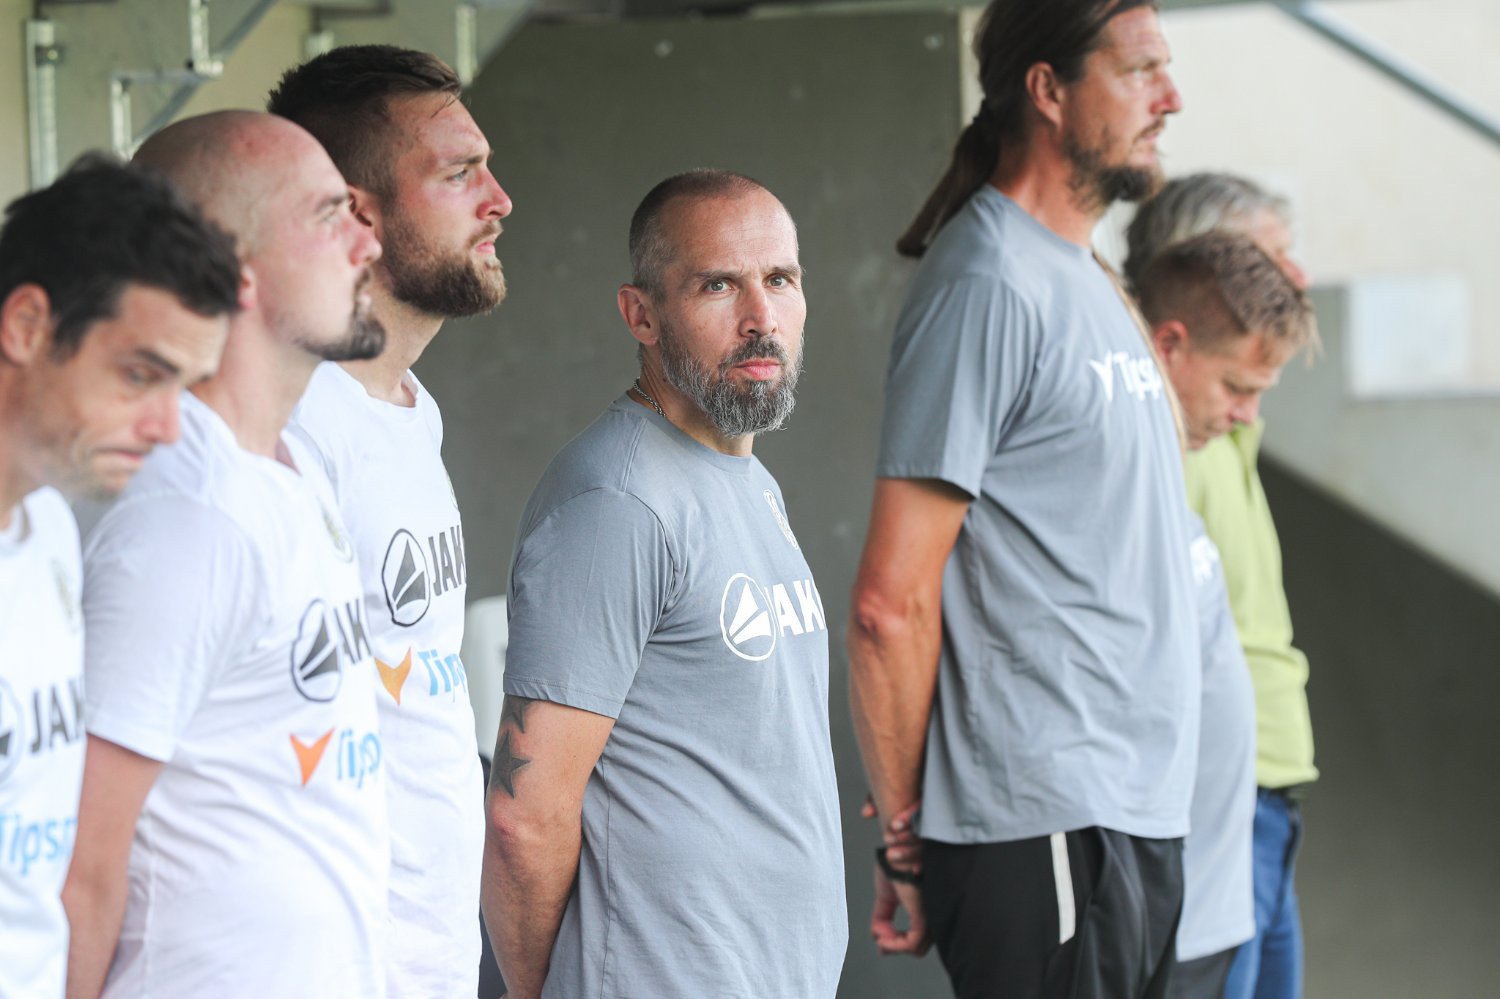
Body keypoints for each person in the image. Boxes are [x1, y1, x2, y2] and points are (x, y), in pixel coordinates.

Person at [848, 0, 1199, 996]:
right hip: (1044, 814)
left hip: (1133, 811)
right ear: (1048, 88)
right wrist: (907, 840)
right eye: (1140, 71)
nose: (1171, 98)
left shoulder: (1084, 275)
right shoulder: (987, 280)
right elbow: (888, 604)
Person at [481, 169, 846, 999]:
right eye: (718, 285)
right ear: (640, 315)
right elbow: (523, 813)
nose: (761, 317)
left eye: (780, 279)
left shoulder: (745, 480)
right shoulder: (616, 500)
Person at [61, 111, 390, 999]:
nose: (369, 242)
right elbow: (82, 866)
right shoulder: (185, 513)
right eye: (329, 215)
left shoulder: (287, 468)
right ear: (231, 268)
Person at [268, 46, 512, 997]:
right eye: (459, 174)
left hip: (435, 953)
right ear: (360, 215)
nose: (499, 201)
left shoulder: (409, 408)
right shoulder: (293, 429)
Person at [0, 155, 239, 999]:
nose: (167, 426)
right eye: (140, 374)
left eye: (184, 386)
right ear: (27, 325)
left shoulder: (49, 534)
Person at [1127, 177, 1319, 999]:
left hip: (1268, 796)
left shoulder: (1224, 425)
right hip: (1217, 809)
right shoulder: (1174, 439)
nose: (1293, 279)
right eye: (1267, 261)